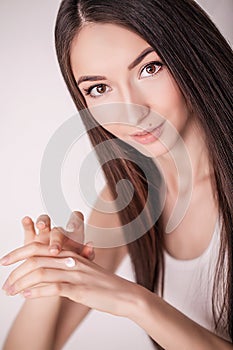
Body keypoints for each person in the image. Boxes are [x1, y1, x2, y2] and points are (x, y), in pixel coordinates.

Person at [1, 0, 232, 349]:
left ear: (190, 52)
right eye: (99, 88)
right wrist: (50, 274)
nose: (132, 112)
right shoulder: (129, 194)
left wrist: (135, 302)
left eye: (150, 68)